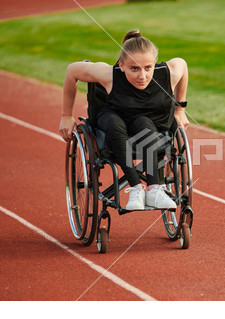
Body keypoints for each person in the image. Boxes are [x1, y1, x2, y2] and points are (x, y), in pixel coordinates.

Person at [59, 30, 189, 211]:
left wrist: (179, 109)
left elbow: (182, 64)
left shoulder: (167, 73)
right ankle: (136, 187)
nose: (142, 76)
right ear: (121, 65)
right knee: (115, 124)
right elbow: (72, 70)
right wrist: (66, 116)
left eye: (147, 68)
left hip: (144, 121)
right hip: (112, 115)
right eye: (134, 68)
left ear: (154, 65)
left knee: (145, 124)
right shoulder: (109, 75)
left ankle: (153, 190)